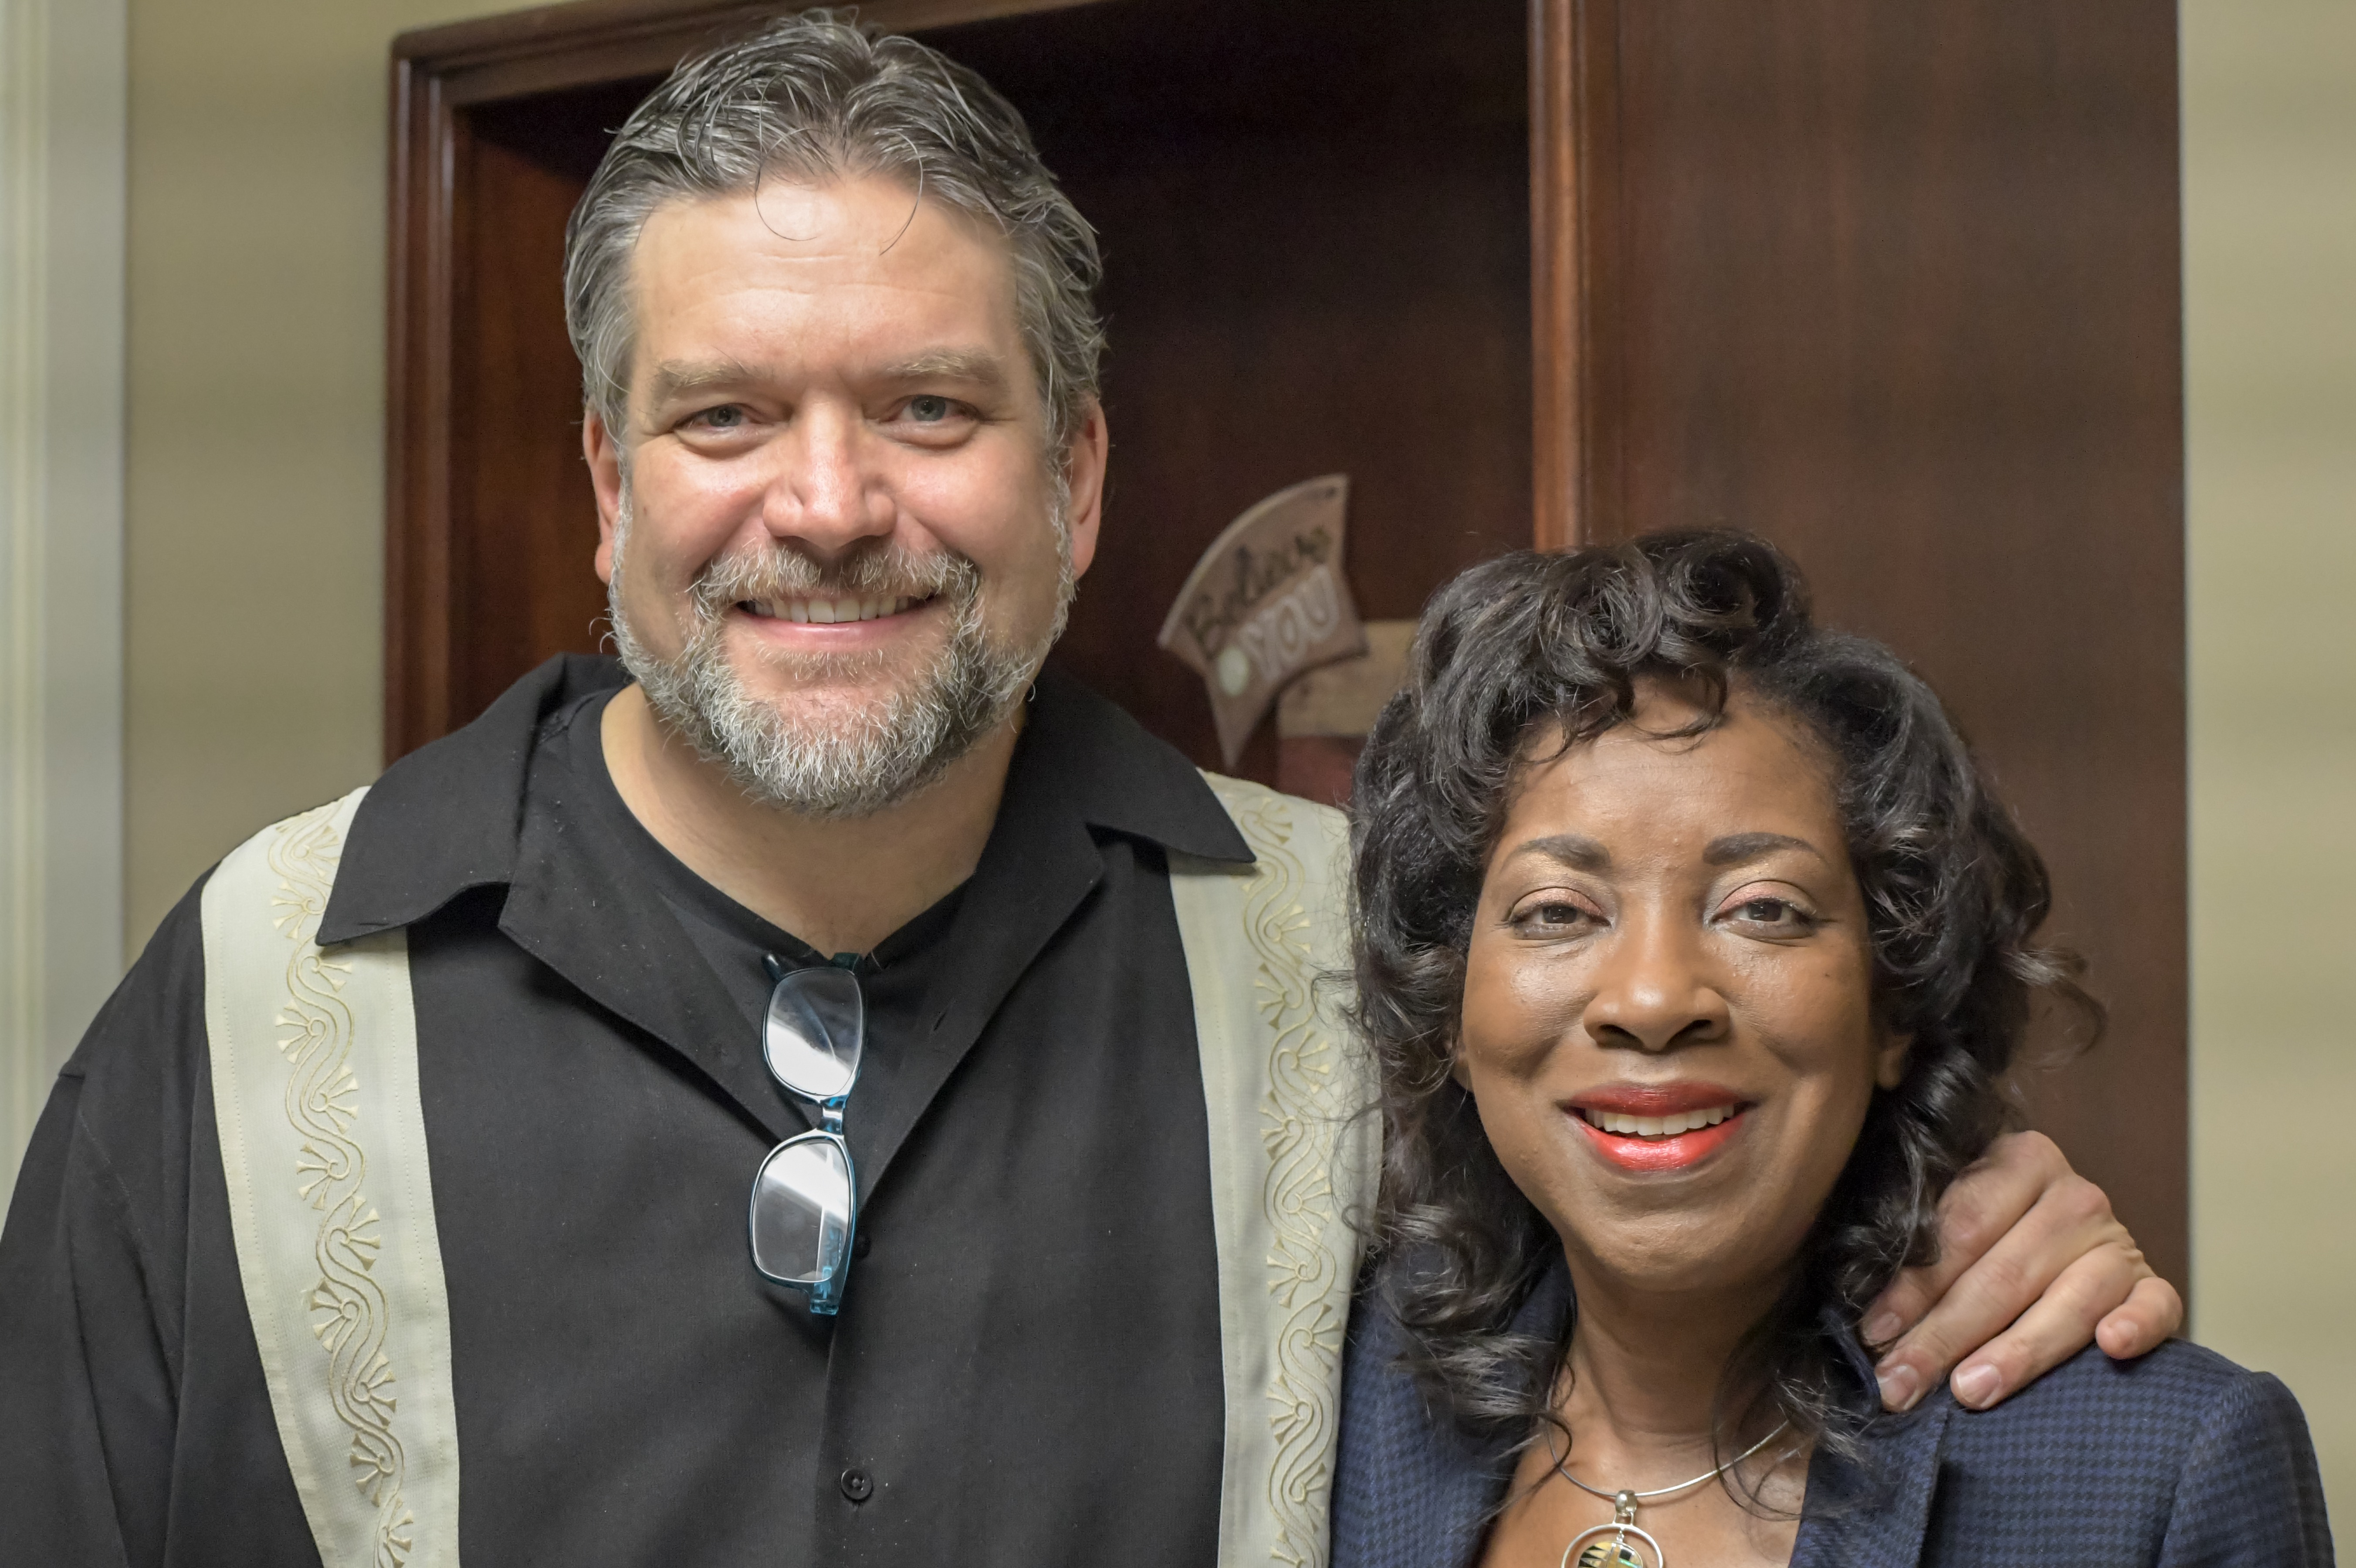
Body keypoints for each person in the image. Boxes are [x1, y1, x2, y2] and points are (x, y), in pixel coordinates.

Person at [0, 17, 2180, 1568]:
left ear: (1077, 476)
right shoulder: (255, 1001)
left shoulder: (1359, 970)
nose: (827, 506)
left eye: (930, 409)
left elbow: (1701, 1236)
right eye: (726, 415)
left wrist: (1960, 1214)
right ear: (607, 480)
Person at [1330, 534, 2332, 1567]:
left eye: (1762, 908)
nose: (1654, 999)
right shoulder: (1328, 1408)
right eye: (1556, 912)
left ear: (1893, 1001)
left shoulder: (2158, 1475)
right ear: (1447, 1010)